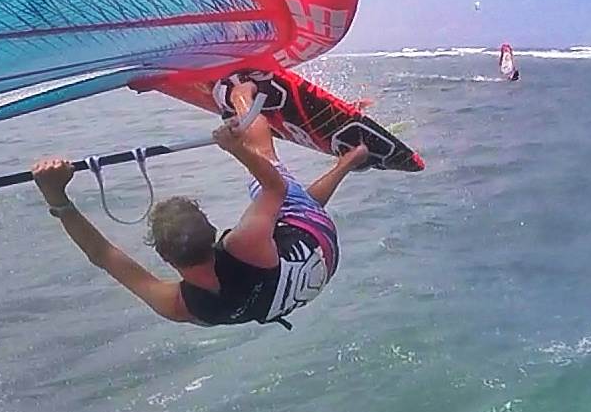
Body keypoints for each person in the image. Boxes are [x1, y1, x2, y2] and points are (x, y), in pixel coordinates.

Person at [31, 82, 370, 327]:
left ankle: (350, 160)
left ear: (165, 257)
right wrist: (236, 147)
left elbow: (103, 255)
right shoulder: (245, 243)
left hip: (309, 275)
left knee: (289, 211)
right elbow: (274, 187)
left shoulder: (177, 306)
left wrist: (56, 197)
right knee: (266, 169)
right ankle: (243, 93)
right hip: (309, 250)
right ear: (213, 232)